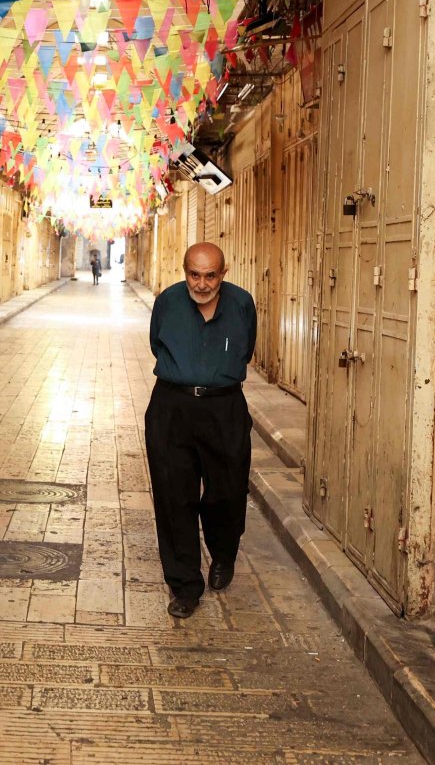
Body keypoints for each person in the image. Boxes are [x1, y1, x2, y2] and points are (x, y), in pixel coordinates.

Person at [146, 242, 256, 618]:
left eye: (211, 275)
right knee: (174, 497)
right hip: (172, 408)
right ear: (185, 271)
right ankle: (184, 585)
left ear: (223, 273)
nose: (202, 283)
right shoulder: (168, 302)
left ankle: (223, 553)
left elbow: (246, 351)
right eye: (195, 274)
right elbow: (155, 343)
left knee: (227, 492)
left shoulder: (242, 304)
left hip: (224, 408)